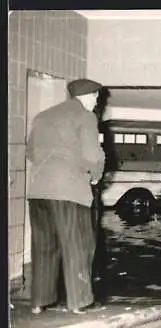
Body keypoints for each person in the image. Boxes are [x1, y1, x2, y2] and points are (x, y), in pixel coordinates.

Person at [26, 78, 105, 315]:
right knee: (77, 245)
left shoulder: (42, 116)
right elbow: (92, 154)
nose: (96, 102)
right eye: (96, 98)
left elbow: (30, 152)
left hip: (38, 190)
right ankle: (79, 302)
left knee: (43, 246)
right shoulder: (85, 116)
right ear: (89, 97)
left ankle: (40, 302)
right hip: (69, 191)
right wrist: (95, 174)